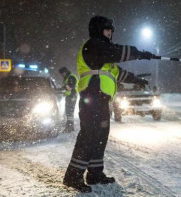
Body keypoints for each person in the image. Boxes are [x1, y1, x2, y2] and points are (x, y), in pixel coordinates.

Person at [63, 15, 158, 193]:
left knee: (100, 137)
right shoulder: (93, 46)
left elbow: (117, 71)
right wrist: (139, 53)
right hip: (91, 97)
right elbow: (116, 52)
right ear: (99, 29)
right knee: (89, 136)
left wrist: (136, 79)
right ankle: (73, 175)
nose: (111, 32)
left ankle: (95, 173)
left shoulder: (104, 56)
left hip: (101, 100)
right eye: (108, 29)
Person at [59, 67, 78, 133]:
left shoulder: (71, 77)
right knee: (69, 112)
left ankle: (69, 127)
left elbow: (69, 87)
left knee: (69, 112)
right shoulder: (68, 77)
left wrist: (60, 90)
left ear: (65, 72)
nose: (62, 75)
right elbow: (66, 87)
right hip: (70, 96)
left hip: (72, 96)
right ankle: (70, 127)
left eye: (62, 73)